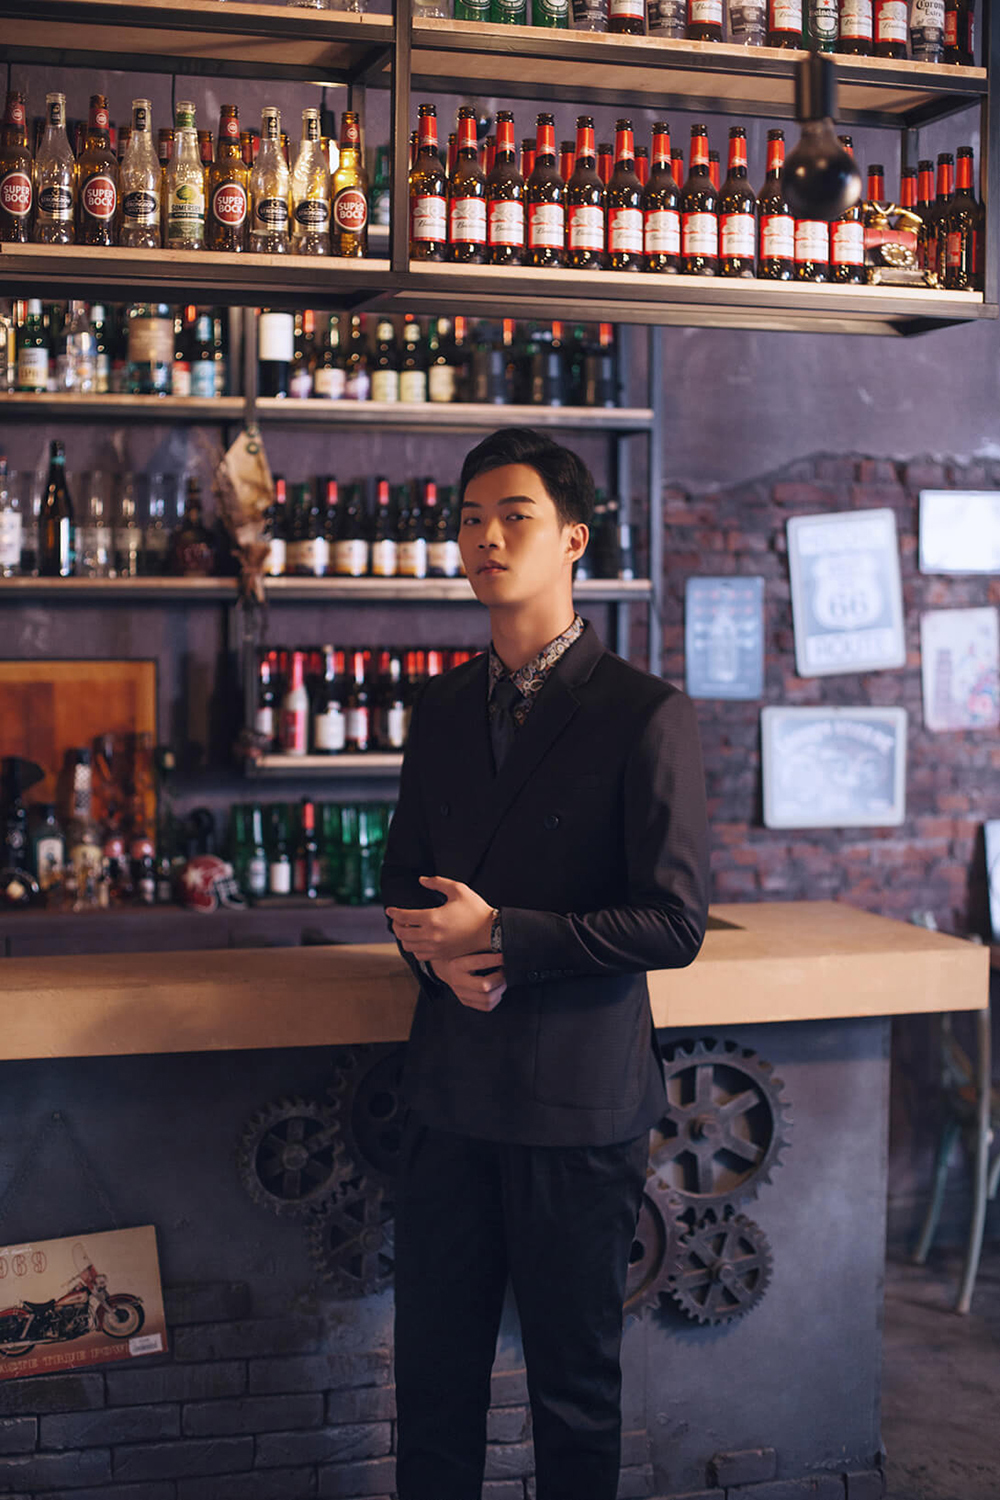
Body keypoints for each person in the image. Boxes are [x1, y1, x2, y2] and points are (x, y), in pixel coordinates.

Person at [381, 427, 710, 1500]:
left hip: (575, 1106)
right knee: (432, 1391)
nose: (486, 537)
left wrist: (502, 938)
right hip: (448, 1097)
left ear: (573, 538)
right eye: (469, 519)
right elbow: (399, 881)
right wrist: (437, 962)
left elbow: (673, 923)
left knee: (573, 1397)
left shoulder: (643, 712)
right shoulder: (439, 708)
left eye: (513, 516)